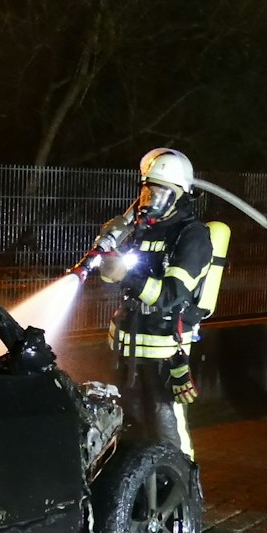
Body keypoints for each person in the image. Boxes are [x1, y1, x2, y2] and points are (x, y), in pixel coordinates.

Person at [100, 148, 214, 460]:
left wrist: (128, 277)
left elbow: (171, 294)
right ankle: (142, 494)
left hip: (165, 351)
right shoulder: (139, 229)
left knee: (168, 431)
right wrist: (108, 258)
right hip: (128, 347)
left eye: (162, 191)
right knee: (132, 429)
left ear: (180, 194)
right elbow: (113, 278)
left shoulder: (192, 235)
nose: (153, 198)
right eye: (149, 190)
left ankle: (184, 494)